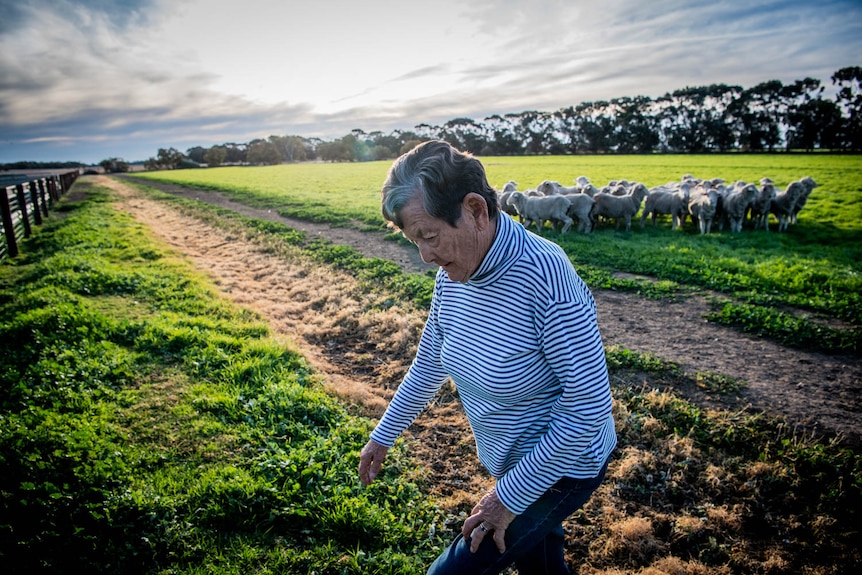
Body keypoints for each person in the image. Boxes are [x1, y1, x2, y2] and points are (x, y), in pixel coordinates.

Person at [358, 140, 616, 574]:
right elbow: (431, 359)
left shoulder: (545, 277)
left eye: (430, 235)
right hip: (512, 458)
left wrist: (507, 498)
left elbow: (587, 405)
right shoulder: (454, 275)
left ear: (476, 210)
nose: (426, 257)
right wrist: (385, 433)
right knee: (541, 565)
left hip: (565, 465)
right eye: (414, 241)